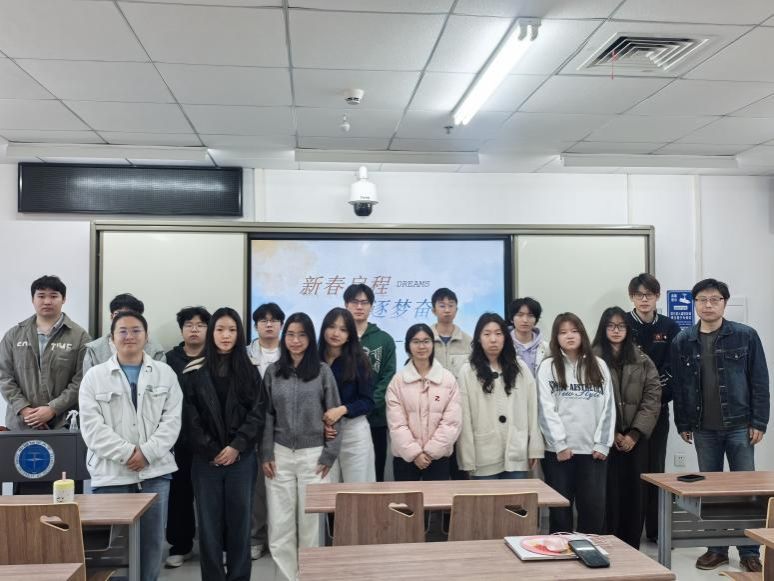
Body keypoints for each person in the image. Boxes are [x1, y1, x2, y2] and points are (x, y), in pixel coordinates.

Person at [672, 279, 770, 573]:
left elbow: (760, 381)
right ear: (695, 303)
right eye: (702, 299)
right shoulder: (683, 340)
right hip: (703, 428)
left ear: (724, 303)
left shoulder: (745, 335)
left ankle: (750, 551)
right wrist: (682, 422)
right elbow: (680, 386)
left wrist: (759, 421)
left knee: (746, 491)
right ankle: (716, 549)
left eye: (715, 299)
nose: (708, 305)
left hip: (740, 425)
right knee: (711, 492)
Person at [79, 311, 182, 581]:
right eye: (122, 331)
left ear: (146, 337)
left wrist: (146, 453)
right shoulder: (94, 377)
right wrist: (128, 454)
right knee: (113, 548)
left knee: (152, 544)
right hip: (112, 473)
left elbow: (172, 421)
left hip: (155, 472)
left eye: (136, 330)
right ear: (111, 339)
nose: (129, 336)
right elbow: (92, 428)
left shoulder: (165, 374)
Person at [182, 307, 264, 581]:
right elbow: (189, 418)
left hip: (242, 459)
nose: (226, 335)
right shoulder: (193, 371)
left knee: (241, 524)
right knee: (208, 526)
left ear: (239, 333)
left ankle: (239, 577)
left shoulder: (250, 370)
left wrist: (236, 446)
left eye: (231, 330)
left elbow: (257, 413)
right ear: (211, 333)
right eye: (220, 329)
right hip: (206, 461)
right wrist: (212, 450)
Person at [262, 313, 341, 581]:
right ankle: (287, 577)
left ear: (310, 338)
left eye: (302, 335)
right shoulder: (273, 372)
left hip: (314, 457)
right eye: (291, 335)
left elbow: (334, 414)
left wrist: (329, 454)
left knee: (312, 526)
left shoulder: (322, 371)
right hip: (280, 455)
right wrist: (266, 452)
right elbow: (266, 415)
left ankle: (310, 576)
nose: (295, 340)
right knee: (280, 525)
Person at [537, 312, 614, 534]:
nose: (569, 336)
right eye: (563, 332)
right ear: (556, 337)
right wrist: (559, 444)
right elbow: (545, 409)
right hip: (559, 454)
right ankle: (559, 554)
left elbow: (608, 407)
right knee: (560, 514)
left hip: (592, 452)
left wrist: (602, 444)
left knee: (593, 510)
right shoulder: (548, 367)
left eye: (574, 331)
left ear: (582, 334)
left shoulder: (598, 365)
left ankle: (589, 551)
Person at [592, 307, 661, 549]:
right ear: (603, 328)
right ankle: (607, 546)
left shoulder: (642, 359)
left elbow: (653, 397)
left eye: (621, 326)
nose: (616, 330)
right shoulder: (591, 360)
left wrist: (634, 433)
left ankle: (632, 547)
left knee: (635, 494)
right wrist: (610, 433)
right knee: (607, 494)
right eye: (611, 326)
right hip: (603, 439)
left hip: (636, 439)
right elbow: (589, 401)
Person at [624, 273, 681, 542]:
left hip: (658, 408)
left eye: (649, 294)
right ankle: (629, 531)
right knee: (631, 472)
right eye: (638, 295)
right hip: (627, 411)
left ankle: (657, 531)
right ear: (632, 297)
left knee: (656, 470)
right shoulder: (623, 323)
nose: (644, 299)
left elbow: (675, 367)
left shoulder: (670, 327)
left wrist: (654, 394)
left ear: (657, 296)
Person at [457, 313, 544, 479]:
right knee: (487, 497)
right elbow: (464, 418)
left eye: (498, 333)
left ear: (505, 337)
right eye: (487, 334)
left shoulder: (520, 369)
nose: (493, 339)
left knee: (516, 497)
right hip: (483, 457)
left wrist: (534, 448)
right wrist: (467, 459)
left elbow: (533, 410)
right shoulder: (468, 371)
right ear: (478, 339)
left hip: (517, 453)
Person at [0, 275, 90, 432]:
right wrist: (24, 409)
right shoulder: (14, 335)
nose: (47, 301)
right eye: (41, 296)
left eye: (54, 296)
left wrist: (52, 409)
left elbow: (83, 379)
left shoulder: (80, 336)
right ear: (32, 299)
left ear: (64, 299)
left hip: (64, 423)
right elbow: (4, 376)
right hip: (21, 423)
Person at [164, 306, 210, 569]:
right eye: (189, 325)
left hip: (210, 439)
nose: (194, 329)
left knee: (211, 496)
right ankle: (180, 546)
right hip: (178, 439)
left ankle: (216, 546)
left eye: (200, 325)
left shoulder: (216, 356)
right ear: (181, 329)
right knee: (179, 495)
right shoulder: (169, 359)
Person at [386, 323, 462, 482]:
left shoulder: (447, 379)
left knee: (437, 498)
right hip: (405, 458)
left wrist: (430, 452)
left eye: (426, 341)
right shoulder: (397, 382)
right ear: (408, 346)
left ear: (433, 345)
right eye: (416, 341)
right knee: (406, 498)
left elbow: (451, 423)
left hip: (438, 458)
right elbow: (396, 424)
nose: (422, 346)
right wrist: (415, 454)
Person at [344, 283, 396, 482]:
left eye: (364, 302)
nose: (359, 306)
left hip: (375, 419)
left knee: (375, 474)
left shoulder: (384, 340)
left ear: (371, 306)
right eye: (354, 302)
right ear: (346, 305)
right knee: (341, 478)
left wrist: (367, 406)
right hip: (342, 420)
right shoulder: (337, 338)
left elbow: (388, 378)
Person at [247, 302, 285, 560]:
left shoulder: (292, 352)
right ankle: (256, 537)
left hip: (283, 429)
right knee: (257, 487)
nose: (269, 324)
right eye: (263, 320)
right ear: (256, 325)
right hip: (252, 428)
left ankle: (281, 537)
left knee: (281, 485)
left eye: (274, 320)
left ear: (281, 325)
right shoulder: (244, 355)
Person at [319, 307, 375, 483]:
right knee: (326, 489)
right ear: (324, 328)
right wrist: (320, 424)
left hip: (354, 433)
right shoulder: (313, 359)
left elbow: (368, 402)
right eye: (332, 327)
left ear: (350, 335)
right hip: (324, 435)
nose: (336, 333)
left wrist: (342, 410)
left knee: (356, 490)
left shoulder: (359, 360)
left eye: (343, 329)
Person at [83, 293, 165, 373]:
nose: (124, 319)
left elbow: (160, 379)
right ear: (111, 317)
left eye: (130, 314)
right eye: (118, 314)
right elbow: (88, 380)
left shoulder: (156, 351)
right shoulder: (94, 350)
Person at [430, 287, 473, 378]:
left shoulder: (468, 341)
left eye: (451, 305)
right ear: (433, 311)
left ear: (456, 310)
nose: (447, 310)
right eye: (442, 306)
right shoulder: (425, 339)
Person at [508, 297, 549, 377]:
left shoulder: (547, 348)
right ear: (512, 319)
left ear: (536, 319)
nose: (525, 320)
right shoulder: (504, 346)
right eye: (520, 315)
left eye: (530, 315)